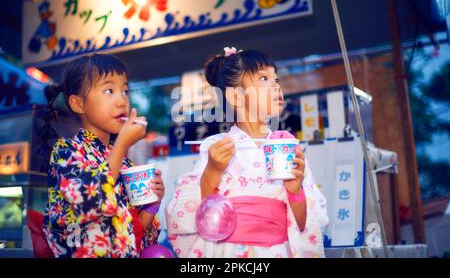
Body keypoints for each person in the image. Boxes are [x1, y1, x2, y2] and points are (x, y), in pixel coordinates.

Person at [166, 47, 328, 258]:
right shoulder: (215, 146)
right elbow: (200, 213)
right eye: (264, 78)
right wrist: (213, 170)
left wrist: (295, 191)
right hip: (231, 251)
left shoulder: (287, 146)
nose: (276, 86)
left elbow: (309, 221)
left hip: (279, 250)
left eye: (276, 79)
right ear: (236, 96)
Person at [42, 53, 164, 258]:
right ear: (78, 104)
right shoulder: (66, 152)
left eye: (125, 90)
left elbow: (135, 234)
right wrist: (122, 143)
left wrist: (152, 204)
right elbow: (86, 204)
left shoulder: (124, 162)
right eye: (109, 90)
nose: (122, 101)